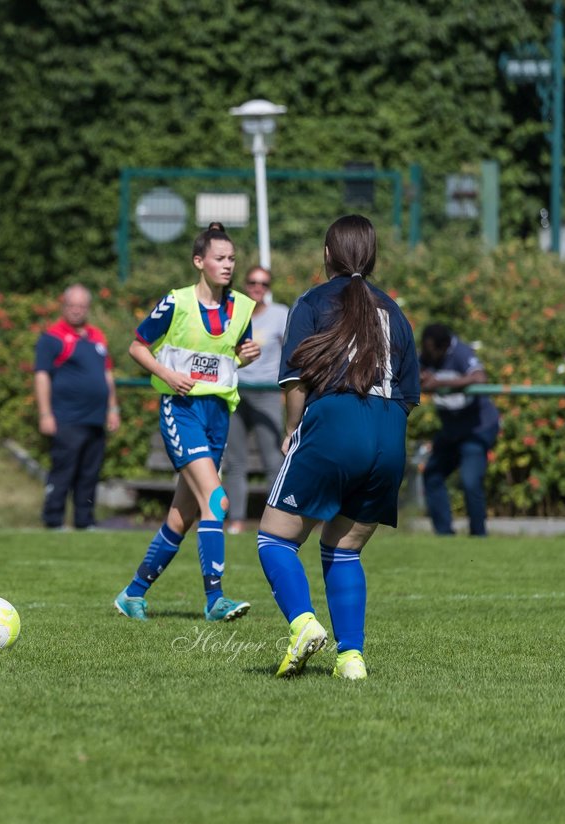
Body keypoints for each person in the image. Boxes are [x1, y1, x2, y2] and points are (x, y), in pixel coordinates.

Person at [256, 214, 420, 681]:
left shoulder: (311, 301)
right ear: (372, 257)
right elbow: (409, 395)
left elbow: (294, 378)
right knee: (344, 548)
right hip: (389, 431)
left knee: (275, 538)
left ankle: (304, 624)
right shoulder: (394, 310)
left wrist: (293, 428)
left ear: (328, 254)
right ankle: (351, 660)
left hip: (336, 420)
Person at [112, 222, 261, 623]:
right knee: (217, 500)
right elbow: (136, 346)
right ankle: (215, 600)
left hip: (218, 416)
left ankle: (132, 594)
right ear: (199, 262)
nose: (227, 265)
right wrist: (167, 374)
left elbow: (233, 356)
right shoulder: (176, 302)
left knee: (182, 516)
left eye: (231, 258)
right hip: (182, 410)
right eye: (219, 258)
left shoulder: (243, 307)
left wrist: (248, 355)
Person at [34, 284, 121, 530]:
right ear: (64, 306)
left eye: (81, 306)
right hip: (67, 417)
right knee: (64, 471)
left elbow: (107, 374)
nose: (76, 310)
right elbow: (42, 376)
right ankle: (53, 520)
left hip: (95, 418)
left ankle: (85, 520)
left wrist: (113, 408)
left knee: (90, 473)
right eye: (72, 305)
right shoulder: (52, 337)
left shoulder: (97, 336)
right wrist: (45, 413)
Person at [224, 266, 290, 534]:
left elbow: (293, 353)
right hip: (236, 391)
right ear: (245, 284)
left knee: (273, 460)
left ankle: (275, 522)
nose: (257, 287)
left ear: (269, 287)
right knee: (235, 460)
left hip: (268, 393)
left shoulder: (280, 314)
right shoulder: (233, 312)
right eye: (252, 282)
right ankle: (236, 519)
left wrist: (289, 390)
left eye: (263, 283)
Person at [419, 324, 500, 536]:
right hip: (451, 430)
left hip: (478, 428)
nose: (429, 356)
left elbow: (480, 378)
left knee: (470, 479)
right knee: (432, 475)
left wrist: (440, 383)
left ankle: (478, 535)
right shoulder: (427, 356)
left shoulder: (462, 352)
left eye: (432, 351)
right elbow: (416, 377)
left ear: (444, 346)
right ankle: (445, 534)